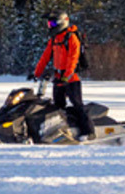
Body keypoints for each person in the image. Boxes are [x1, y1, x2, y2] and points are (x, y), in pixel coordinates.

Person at [31, 11, 93, 141]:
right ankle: (60, 132)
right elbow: (45, 57)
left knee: (77, 104)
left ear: (62, 22)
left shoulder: (71, 38)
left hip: (71, 78)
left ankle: (88, 132)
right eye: (49, 23)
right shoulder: (54, 39)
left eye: (52, 23)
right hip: (59, 77)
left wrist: (68, 74)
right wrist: (36, 73)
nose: (50, 26)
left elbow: (73, 58)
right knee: (57, 107)